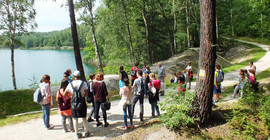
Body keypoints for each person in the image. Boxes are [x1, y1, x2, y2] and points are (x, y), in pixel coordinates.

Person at [64, 70, 89, 139]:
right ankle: (86, 132)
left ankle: (77, 133)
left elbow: (64, 94)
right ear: (79, 76)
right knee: (84, 117)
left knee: (75, 118)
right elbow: (86, 93)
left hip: (74, 102)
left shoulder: (70, 84)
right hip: (82, 102)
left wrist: (71, 97)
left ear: (74, 76)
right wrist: (82, 96)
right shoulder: (83, 83)